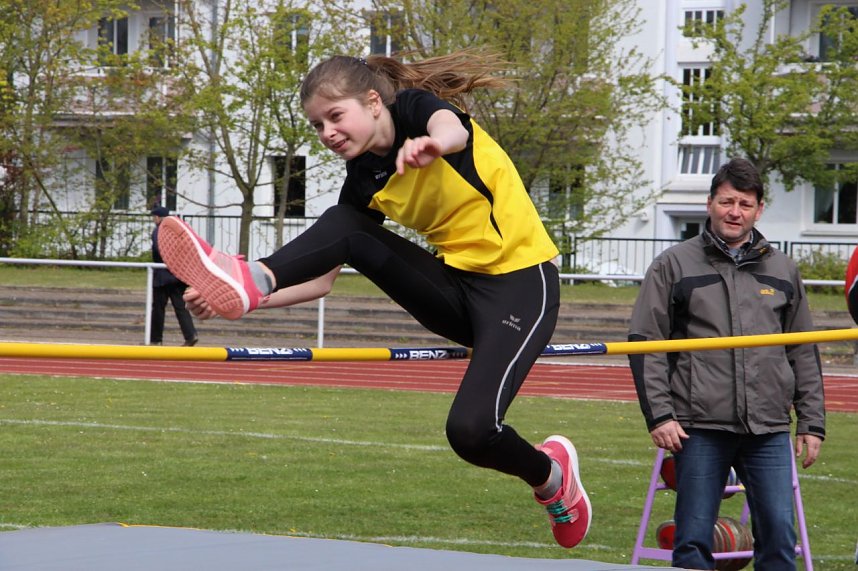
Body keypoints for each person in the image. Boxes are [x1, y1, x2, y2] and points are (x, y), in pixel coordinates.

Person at [155, 52, 591, 548]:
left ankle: (553, 478)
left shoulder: (413, 111)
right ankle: (250, 281)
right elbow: (322, 282)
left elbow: (455, 131)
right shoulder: (362, 180)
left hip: (521, 285)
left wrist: (432, 143)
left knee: (470, 432)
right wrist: (240, 302)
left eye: (335, 117)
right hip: (456, 292)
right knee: (346, 226)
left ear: (372, 102)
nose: (327, 133)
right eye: (317, 125)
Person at [628, 157, 826, 570]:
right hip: (699, 426)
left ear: (759, 210)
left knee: (778, 535)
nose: (735, 212)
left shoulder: (783, 269)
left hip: (768, 427)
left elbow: (803, 350)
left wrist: (811, 422)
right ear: (709, 204)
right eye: (726, 201)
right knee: (693, 540)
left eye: (745, 204)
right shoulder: (673, 264)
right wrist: (660, 415)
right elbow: (646, 343)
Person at [149, 205, 198, 347]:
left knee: (158, 308)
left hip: (163, 276)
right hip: (178, 275)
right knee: (181, 307)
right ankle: (190, 335)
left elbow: (160, 251)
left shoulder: (159, 231)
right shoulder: (178, 231)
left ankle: (155, 339)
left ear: (157, 217)